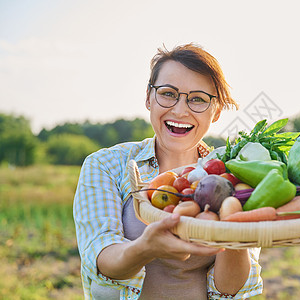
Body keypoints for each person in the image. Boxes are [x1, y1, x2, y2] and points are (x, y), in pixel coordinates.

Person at [73, 44, 263, 300]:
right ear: (149, 98)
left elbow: (230, 290)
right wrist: (145, 248)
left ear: (216, 111)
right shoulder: (107, 165)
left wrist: (234, 234)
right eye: (168, 93)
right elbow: (102, 259)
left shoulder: (233, 177)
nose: (180, 110)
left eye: (198, 99)